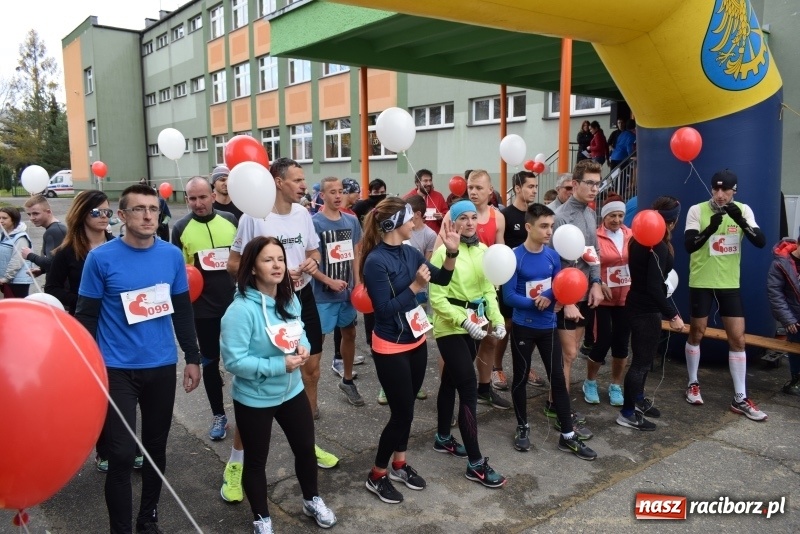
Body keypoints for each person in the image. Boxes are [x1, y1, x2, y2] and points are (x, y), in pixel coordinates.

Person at [75, 184, 202, 534]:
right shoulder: (101, 259)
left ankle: (148, 519)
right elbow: (86, 317)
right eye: (138, 209)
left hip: (160, 366)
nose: (148, 216)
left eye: (153, 209)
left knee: (156, 449)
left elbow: (181, 311)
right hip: (116, 369)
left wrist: (192, 357)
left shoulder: (171, 256)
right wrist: (85, 367)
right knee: (119, 454)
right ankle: (121, 529)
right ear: (122, 216)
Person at [226, 157, 340, 480]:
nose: (305, 186)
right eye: (298, 180)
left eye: (304, 180)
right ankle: (236, 461)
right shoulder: (253, 217)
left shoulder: (304, 214)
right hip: (266, 302)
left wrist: (310, 264)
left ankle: (308, 443)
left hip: (301, 298)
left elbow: (313, 252)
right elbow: (233, 265)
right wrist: (272, 274)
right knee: (255, 386)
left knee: (312, 369)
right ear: (278, 181)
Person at [221, 236, 337, 533]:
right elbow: (234, 361)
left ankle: (311, 499)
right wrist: (278, 365)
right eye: (268, 260)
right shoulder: (240, 310)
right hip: (254, 398)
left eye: (281, 259)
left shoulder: (290, 298)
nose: (277, 265)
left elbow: (300, 333)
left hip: (292, 391)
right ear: (253, 267)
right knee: (256, 460)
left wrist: (304, 348)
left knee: (305, 450)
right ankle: (262, 518)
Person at [360, 197, 459, 504]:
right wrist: (415, 288)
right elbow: (384, 310)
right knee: (401, 413)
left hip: (415, 341)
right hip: (390, 346)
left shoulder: (411, 251)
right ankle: (377, 474)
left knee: (408, 411)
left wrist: (452, 252)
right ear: (392, 225)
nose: (415, 222)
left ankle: (399, 463)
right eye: (409, 219)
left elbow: (441, 278)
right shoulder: (375, 261)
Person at [503, 203, 597, 460]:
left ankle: (567, 435)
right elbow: (509, 296)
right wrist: (535, 302)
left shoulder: (553, 257)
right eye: (544, 226)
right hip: (524, 327)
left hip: (548, 327)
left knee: (558, 377)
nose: (549, 231)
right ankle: (522, 427)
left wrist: (547, 295)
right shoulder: (515, 256)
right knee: (520, 378)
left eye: (552, 226)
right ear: (528, 227)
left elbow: (559, 286)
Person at [429, 200, 508, 487]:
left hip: (476, 323)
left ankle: (442, 438)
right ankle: (475, 463)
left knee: (450, 380)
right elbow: (436, 299)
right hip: (450, 327)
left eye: (474, 217)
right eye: (462, 218)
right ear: (452, 222)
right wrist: (463, 321)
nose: (470, 222)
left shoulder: (483, 250)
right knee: (467, 387)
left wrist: (496, 320)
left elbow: (488, 289)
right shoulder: (442, 253)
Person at [683, 169, 767, 420]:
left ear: (734, 191)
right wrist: (710, 229)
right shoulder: (697, 210)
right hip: (702, 280)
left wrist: (740, 220)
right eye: (715, 189)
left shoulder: (744, 209)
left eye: (725, 190)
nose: (719, 195)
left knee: (738, 338)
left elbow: (760, 241)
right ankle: (692, 383)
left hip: (729, 282)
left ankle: (740, 397)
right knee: (697, 331)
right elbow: (689, 245)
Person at [171, 176, 238, 444]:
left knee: (241, 360)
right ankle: (219, 415)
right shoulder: (180, 228)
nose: (198, 203)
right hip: (203, 310)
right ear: (187, 199)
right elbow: (178, 273)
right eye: (192, 198)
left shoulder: (230, 220)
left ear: (212, 195)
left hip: (235, 305)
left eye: (202, 197)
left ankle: (250, 409)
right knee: (210, 362)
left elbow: (240, 258)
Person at [617, 196, 684, 431]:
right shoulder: (659, 247)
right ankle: (627, 413)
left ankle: (638, 400)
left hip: (636, 305)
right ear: (672, 222)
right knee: (641, 363)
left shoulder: (638, 240)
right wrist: (673, 315)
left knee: (642, 362)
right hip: (646, 311)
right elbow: (655, 288)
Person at [550, 160, 605, 438]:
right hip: (565, 298)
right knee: (568, 354)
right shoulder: (561, 217)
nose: (595, 188)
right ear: (575, 184)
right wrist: (567, 299)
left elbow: (593, 250)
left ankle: (555, 402)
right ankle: (560, 409)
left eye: (598, 183)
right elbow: (555, 263)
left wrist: (596, 281)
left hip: (585, 294)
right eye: (590, 183)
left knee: (573, 352)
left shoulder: (590, 214)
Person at [311, 177, 364, 406]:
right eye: (332, 192)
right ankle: (310, 394)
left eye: (340, 191)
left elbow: (356, 254)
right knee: (317, 342)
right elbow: (310, 261)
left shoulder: (351, 222)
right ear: (322, 195)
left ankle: (348, 379)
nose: (337, 196)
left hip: (347, 294)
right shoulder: (315, 223)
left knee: (349, 333)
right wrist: (329, 281)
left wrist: (358, 283)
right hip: (323, 294)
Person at [494, 171, 547, 391]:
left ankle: (525, 366)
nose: (534, 190)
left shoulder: (536, 215)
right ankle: (496, 368)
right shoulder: (506, 215)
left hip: (533, 282)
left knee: (528, 326)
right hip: (511, 282)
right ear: (517, 188)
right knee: (506, 325)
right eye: (530, 186)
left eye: (536, 187)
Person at [584, 198, 632, 406]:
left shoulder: (631, 235)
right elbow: (587, 263)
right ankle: (590, 382)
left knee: (622, 344)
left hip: (625, 299)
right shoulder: (596, 236)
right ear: (604, 217)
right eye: (612, 215)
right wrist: (599, 281)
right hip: (603, 299)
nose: (617, 219)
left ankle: (615, 385)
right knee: (602, 341)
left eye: (620, 215)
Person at [766, 233, 800, 396]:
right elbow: (775, 294)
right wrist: (788, 319)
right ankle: (796, 379)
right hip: (794, 316)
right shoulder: (780, 263)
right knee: (795, 347)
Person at [21, 195, 67, 275]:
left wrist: (29, 255)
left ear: (48, 212)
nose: (32, 218)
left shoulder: (54, 231)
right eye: (29, 214)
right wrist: (42, 270)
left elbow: (52, 264)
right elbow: (62, 261)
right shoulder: (56, 228)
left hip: (61, 286)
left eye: (35, 213)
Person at [0, 206, 33, 298]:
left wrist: (6, 278)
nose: (1, 221)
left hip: (18, 281)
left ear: (14, 220)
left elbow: (17, 260)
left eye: (4, 218)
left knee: (17, 308)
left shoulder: (20, 237)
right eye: (0, 218)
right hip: (8, 279)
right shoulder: (4, 234)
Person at [405, 169, 449, 233]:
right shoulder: (408, 198)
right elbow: (403, 219)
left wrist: (442, 216)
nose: (429, 183)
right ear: (417, 183)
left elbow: (447, 215)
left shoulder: (438, 196)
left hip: (435, 238)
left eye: (430, 180)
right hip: (413, 236)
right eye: (425, 181)